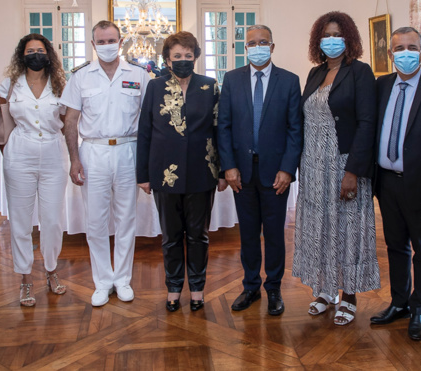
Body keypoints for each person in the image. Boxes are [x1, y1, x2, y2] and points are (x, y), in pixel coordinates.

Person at [367, 27, 421, 340]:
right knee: (395, 246)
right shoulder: (382, 85)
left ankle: (420, 308)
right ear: (390, 54)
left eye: (412, 47)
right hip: (387, 183)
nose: (405, 53)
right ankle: (400, 302)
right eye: (399, 48)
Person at [292, 11, 379, 326]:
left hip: (344, 165)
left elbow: (368, 124)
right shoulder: (314, 73)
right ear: (318, 40)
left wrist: (353, 171)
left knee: (348, 229)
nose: (332, 40)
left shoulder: (360, 72)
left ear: (349, 38)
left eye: (337, 34)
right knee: (320, 228)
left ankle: (350, 295)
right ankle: (326, 290)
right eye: (326, 35)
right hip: (313, 166)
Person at [60, 21, 150, 307]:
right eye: (101, 41)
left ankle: (122, 279)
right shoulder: (80, 77)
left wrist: (146, 163)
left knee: (126, 219)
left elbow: (148, 121)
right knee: (96, 221)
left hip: (128, 150)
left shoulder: (139, 74)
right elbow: (70, 121)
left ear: (120, 42)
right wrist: (75, 158)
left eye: (112, 40)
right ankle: (102, 281)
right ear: (93, 44)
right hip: (94, 153)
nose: (107, 45)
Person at [136, 31, 226, 312]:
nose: (183, 60)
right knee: (171, 236)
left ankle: (197, 289)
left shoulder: (210, 86)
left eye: (188, 55)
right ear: (167, 59)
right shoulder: (155, 87)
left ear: (196, 57)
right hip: (165, 173)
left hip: (203, 171)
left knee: (198, 235)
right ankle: (174, 288)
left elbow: (219, 131)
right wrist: (143, 175)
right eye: (177, 56)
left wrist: (222, 171)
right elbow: (145, 132)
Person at [217, 25, 303, 316]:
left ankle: (274, 288)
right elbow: (224, 127)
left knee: (275, 235)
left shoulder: (290, 81)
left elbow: (295, 130)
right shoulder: (231, 79)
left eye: (263, 42)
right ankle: (251, 286)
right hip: (241, 173)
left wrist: (288, 170)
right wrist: (228, 166)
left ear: (272, 46)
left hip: (276, 173)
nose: (257, 46)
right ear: (245, 48)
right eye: (251, 43)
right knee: (249, 234)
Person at [0, 33, 68, 307]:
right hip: (19, 156)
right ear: (21, 55)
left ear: (48, 55)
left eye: (40, 50)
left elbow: (67, 120)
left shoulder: (61, 84)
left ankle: (52, 270)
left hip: (53, 155)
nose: (35, 54)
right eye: (30, 50)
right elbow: (1, 124)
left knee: (52, 220)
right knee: (21, 221)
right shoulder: (9, 85)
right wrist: (10, 154)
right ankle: (26, 279)